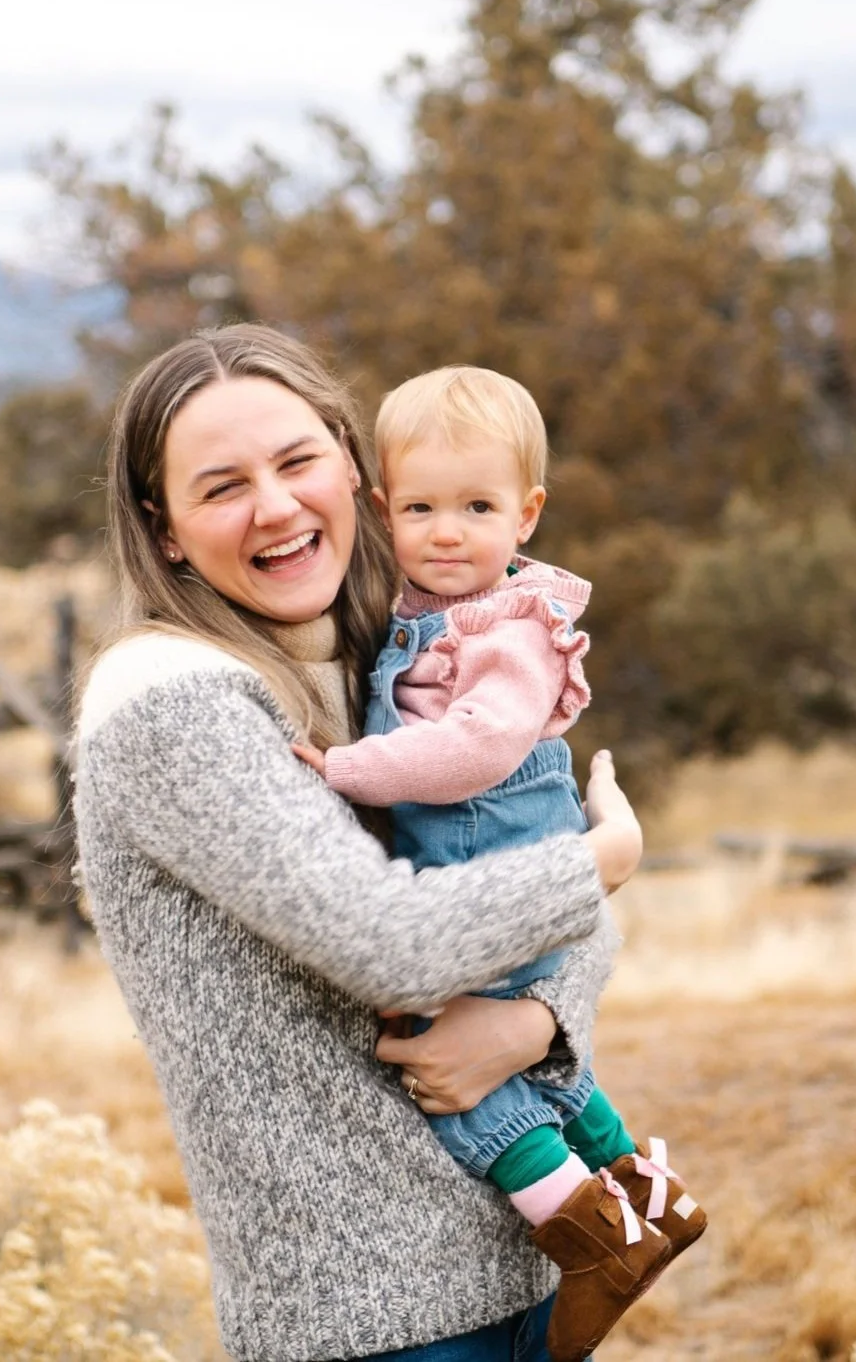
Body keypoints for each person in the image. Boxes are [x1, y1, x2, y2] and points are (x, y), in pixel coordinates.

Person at [75, 324, 640, 1362]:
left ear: (351, 465)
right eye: (222, 485)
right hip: (368, 1318)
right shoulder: (166, 702)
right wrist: (605, 862)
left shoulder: (401, 652)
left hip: (527, 1273)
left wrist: (533, 1024)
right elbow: (398, 944)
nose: (278, 506)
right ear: (163, 531)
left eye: (297, 462)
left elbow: (534, 900)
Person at [293, 366, 707, 1358]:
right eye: (423, 507)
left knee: (460, 1074)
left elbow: (473, 749)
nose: (447, 531)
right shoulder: (418, 608)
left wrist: (349, 770)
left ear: (526, 515)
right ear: (384, 509)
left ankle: (591, 1235)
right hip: (500, 884)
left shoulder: (511, 629)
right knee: (548, 1069)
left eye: (476, 507)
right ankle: (643, 1192)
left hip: (502, 886)